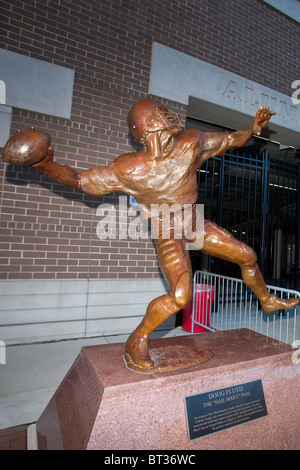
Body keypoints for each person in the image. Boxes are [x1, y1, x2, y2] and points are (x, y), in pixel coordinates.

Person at [3, 99, 299, 370]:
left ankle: (266, 299)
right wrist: (46, 164)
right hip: (166, 228)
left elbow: (231, 140)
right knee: (181, 295)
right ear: (147, 125)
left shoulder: (190, 142)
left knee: (248, 255)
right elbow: (80, 180)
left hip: (192, 221)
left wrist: (253, 128)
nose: (167, 114)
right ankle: (137, 339)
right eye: (159, 111)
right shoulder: (128, 168)